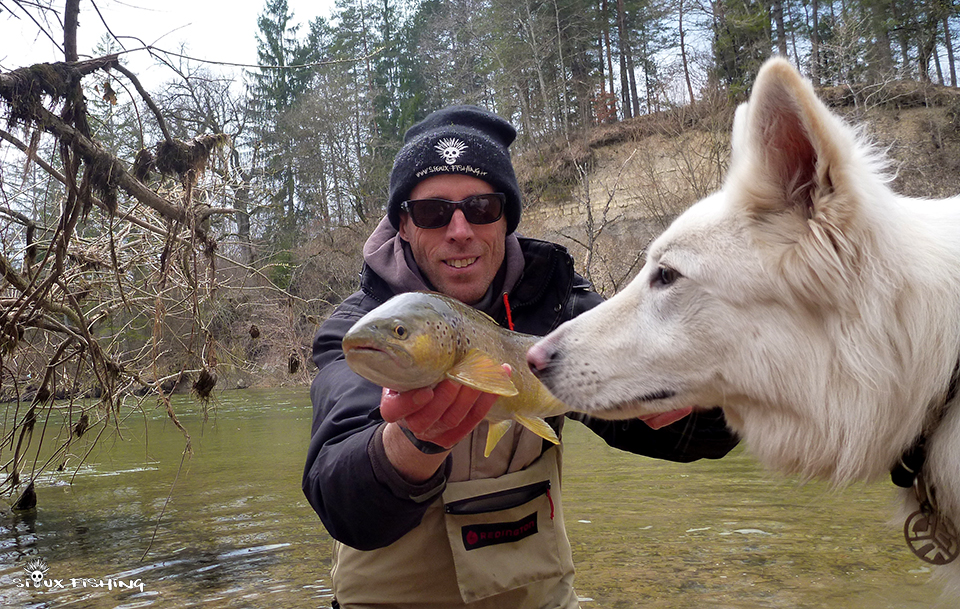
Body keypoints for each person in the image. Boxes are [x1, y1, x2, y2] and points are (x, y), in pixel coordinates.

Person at [302, 105, 739, 609]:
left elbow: (703, 438)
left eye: (482, 207)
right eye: (432, 212)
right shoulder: (358, 332)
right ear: (403, 224)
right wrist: (409, 446)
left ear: (506, 217)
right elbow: (342, 507)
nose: (459, 230)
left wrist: (703, 392)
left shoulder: (559, 309)